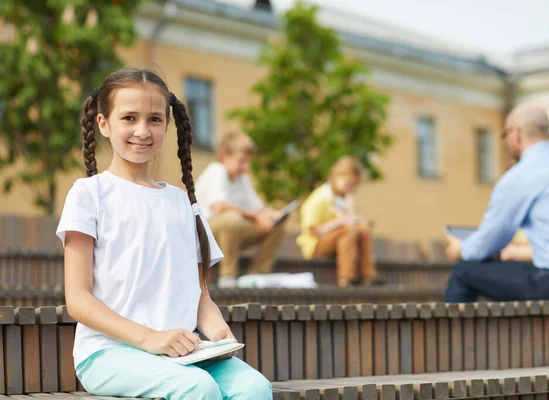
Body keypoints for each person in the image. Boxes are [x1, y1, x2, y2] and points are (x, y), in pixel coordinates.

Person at [57, 68, 272, 399]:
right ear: (103, 123)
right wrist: (148, 338)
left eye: (154, 119)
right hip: (109, 352)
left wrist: (217, 331)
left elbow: (199, 295)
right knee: (198, 389)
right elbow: (79, 300)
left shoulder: (181, 202)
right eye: (129, 118)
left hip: (181, 352)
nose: (142, 131)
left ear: (168, 125)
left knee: (255, 388)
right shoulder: (88, 194)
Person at [444, 102, 549, 303]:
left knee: (463, 271)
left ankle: (452, 335)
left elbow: (488, 242)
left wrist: (461, 249)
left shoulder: (520, 176)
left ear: (516, 134)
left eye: (505, 136)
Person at [195, 132, 286, 288]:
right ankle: (227, 276)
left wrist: (274, 215)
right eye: (242, 161)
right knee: (231, 219)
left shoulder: (241, 178)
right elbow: (220, 206)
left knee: (275, 224)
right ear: (225, 157)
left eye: (248, 162)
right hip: (205, 233)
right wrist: (256, 218)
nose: (246, 167)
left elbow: (258, 207)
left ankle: (258, 273)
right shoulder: (216, 170)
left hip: (233, 233)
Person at [297, 156, 378, 287]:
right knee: (348, 231)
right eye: (348, 184)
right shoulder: (321, 197)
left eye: (353, 186)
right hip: (315, 245)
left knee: (363, 229)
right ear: (336, 177)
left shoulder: (342, 198)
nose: (350, 188)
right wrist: (340, 221)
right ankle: (346, 280)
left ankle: (368, 277)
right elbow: (312, 230)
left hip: (338, 241)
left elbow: (350, 221)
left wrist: (350, 208)